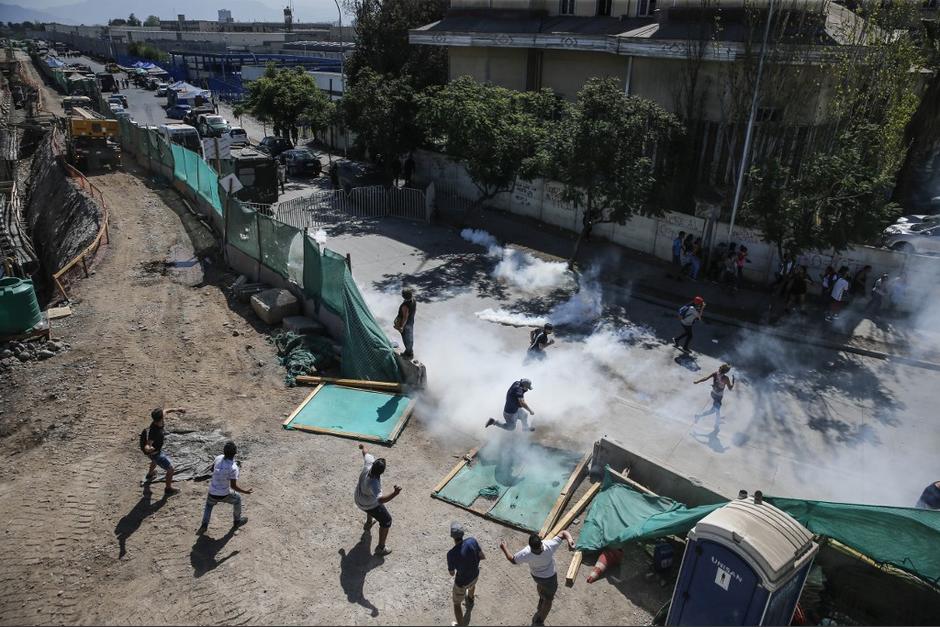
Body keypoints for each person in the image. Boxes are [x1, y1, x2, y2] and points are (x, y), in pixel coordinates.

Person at [500, 531, 575, 626]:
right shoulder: (549, 545)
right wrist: (570, 540)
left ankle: (541, 598)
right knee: (549, 600)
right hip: (550, 578)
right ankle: (540, 620)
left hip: (536, 576)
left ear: (530, 546)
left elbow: (513, 560)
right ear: (541, 542)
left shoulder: (526, 553)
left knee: (540, 586)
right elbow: (564, 533)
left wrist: (504, 548)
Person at [355, 443, 401, 557]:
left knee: (370, 500)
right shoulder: (374, 483)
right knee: (387, 521)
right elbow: (380, 500)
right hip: (367, 504)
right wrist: (395, 493)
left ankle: (369, 522)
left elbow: (365, 452)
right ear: (381, 472)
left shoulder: (368, 463)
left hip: (358, 498)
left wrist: (363, 446)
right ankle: (381, 548)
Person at [197, 441, 252, 535]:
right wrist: (245, 491)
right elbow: (233, 486)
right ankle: (237, 521)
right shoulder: (234, 468)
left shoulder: (218, 458)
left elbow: (212, 469)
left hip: (212, 492)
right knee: (237, 498)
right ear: (235, 453)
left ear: (224, 451)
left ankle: (204, 525)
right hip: (224, 494)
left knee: (209, 506)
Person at [447, 522, 485, 626]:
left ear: (452, 537)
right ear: (463, 534)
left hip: (461, 583)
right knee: (472, 585)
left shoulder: (451, 554)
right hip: (474, 575)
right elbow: (482, 556)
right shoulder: (472, 541)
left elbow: (451, 573)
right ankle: (470, 599)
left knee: (457, 604)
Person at [141, 407, 185, 495]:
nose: (164, 413)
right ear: (160, 418)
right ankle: (168, 489)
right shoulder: (154, 431)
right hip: (156, 454)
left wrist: (177, 409)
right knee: (171, 469)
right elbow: (148, 444)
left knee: (154, 461)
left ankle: (150, 474)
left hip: (156, 452)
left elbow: (166, 411)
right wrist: (148, 448)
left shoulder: (159, 420)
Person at [394, 288, 417, 359]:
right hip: (410, 322)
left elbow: (405, 317)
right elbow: (414, 310)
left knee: (406, 338)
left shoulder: (405, 306)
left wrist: (401, 327)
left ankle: (408, 353)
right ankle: (410, 351)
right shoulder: (413, 300)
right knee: (410, 337)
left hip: (406, 324)